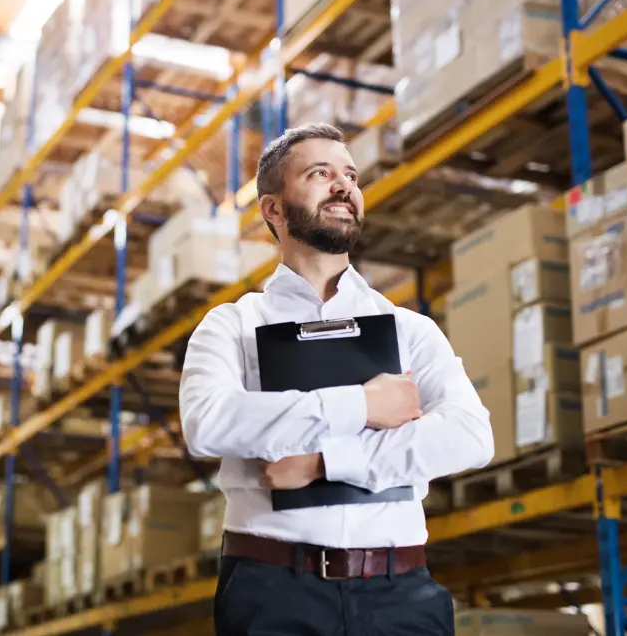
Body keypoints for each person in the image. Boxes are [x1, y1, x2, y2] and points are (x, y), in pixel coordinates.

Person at [178, 122, 495, 635]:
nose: (343, 185)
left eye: (350, 175)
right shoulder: (232, 325)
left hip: (401, 594)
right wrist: (362, 406)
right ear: (273, 209)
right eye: (319, 173)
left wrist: (326, 462)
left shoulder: (409, 329)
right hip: (274, 591)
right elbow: (208, 424)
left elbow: (470, 437)